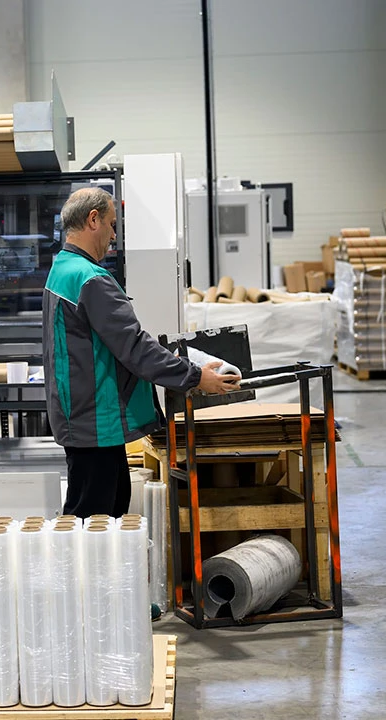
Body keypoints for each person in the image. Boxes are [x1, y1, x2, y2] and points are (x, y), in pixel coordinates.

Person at [43, 187, 241, 518]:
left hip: (83, 416)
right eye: (112, 224)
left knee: (110, 509)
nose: (113, 235)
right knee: (93, 520)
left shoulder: (62, 268)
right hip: (95, 421)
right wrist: (195, 377)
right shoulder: (90, 279)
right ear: (93, 220)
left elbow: (115, 343)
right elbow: (134, 348)